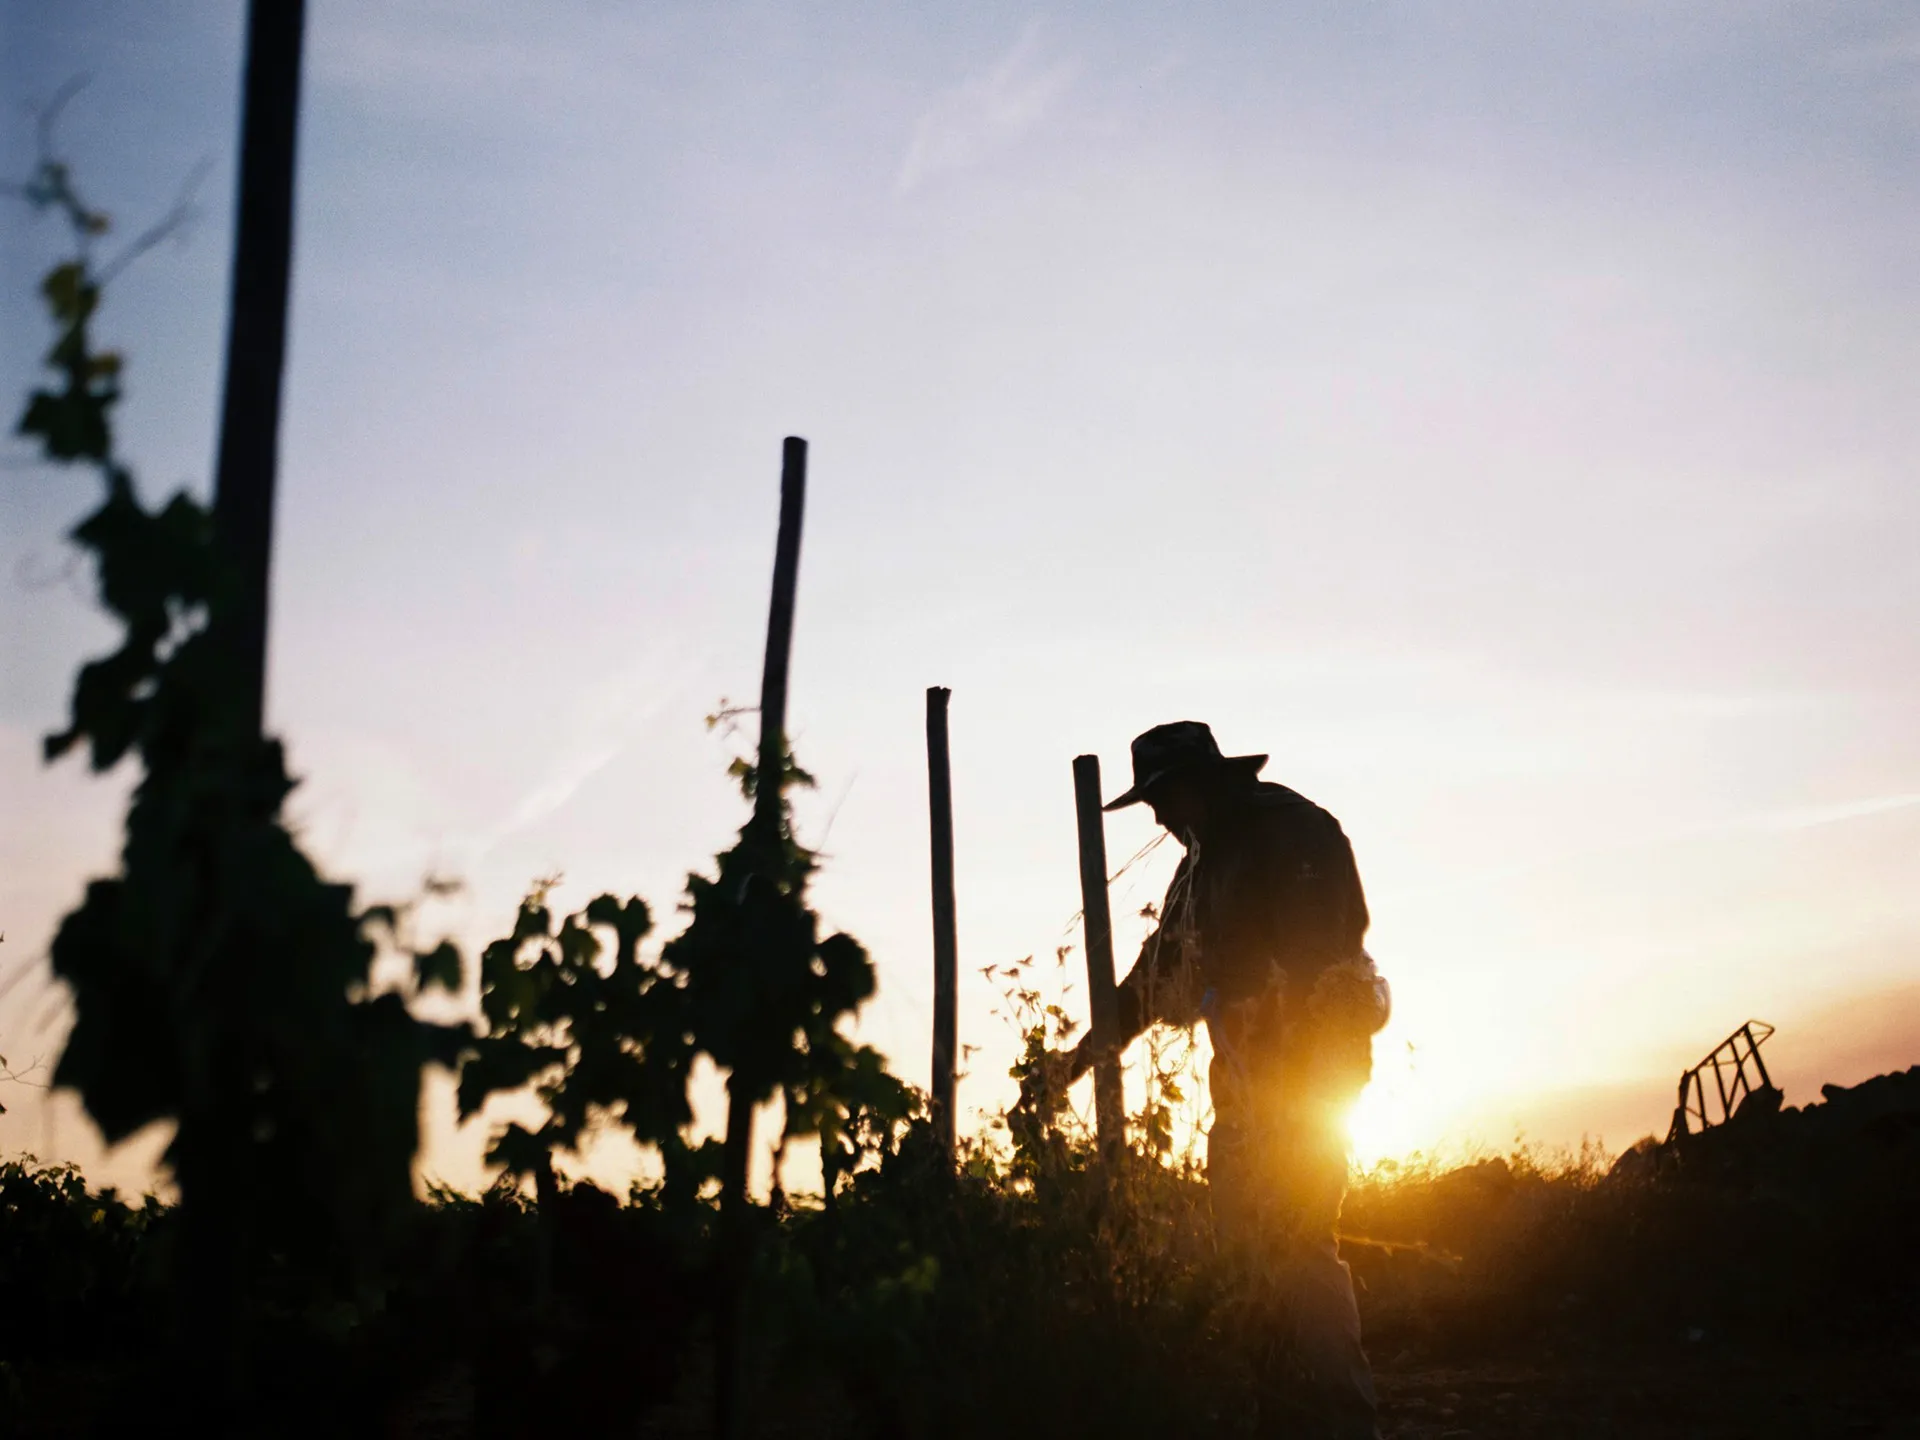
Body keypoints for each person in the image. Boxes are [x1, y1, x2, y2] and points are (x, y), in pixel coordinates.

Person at [1034, 720, 1390, 1440]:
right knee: (1245, 1250)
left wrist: (1280, 1038)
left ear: (1199, 783)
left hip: (1306, 1081)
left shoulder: (1294, 835)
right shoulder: (1201, 861)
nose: (1157, 817)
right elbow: (1153, 979)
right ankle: (1282, 1415)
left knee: (1298, 1245)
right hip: (1243, 1085)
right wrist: (1070, 1067)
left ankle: (1345, 1424)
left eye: (1161, 798)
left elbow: (1321, 960)